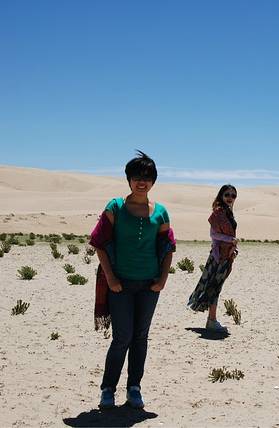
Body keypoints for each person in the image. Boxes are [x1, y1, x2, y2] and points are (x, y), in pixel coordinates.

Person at [90, 150, 175, 409]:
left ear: (153, 181)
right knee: (122, 337)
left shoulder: (160, 212)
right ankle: (108, 389)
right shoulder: (115, 207)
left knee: (140, 337)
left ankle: (134, 388)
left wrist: (162, 279)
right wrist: (111, 277)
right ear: (128, 179)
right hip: (121, 284)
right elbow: (99, 243)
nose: (142, 182)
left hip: (149, 285)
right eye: (137, 177)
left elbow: (168, 248)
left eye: (147, 177)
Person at [188, 184, 238, 334]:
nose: (230, 198)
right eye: (227, 195)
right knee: (214, 286)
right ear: (221, 196)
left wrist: (233, 247)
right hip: (218, 256)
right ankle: (212, 320)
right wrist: (230, 240)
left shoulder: (228, 212)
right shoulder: (218, 212)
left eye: (233, 195)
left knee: (216, 286)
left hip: (227, 254)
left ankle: (212, 319)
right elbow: (213, 234)